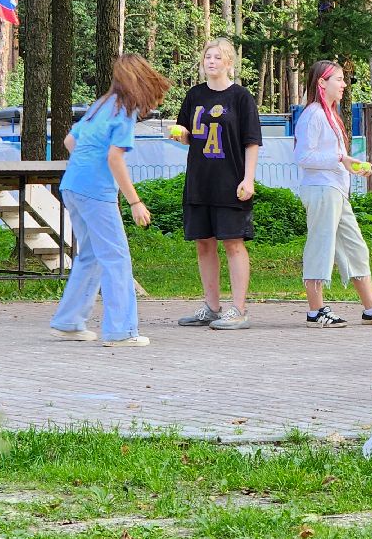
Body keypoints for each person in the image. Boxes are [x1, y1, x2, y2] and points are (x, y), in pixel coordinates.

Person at [49, 54, 171, 348]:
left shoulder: (100, 105)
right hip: (95, 191)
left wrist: (87, 164)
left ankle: (68, 322)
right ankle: (121, 330)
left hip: (73, 185)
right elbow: (114, 158)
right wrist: (135, 201)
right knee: (116, 258)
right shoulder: (124, 112)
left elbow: (69, 141)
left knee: (90, 255)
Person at [292, 60, 372, 328]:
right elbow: (303, 156)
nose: (343, 84)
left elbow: (334, 157)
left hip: (335, 191)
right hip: (321, 190)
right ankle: (315, 311)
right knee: (320, 247)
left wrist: (349, 164)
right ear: (322, 83)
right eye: (339, 79)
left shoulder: (330, 115)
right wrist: (340, 158)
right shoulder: (314, 114)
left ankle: (371, 309)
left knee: (355, 246)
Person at [171, 38, 261, 331]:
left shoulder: (241, 98)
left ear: (228, 63)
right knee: (203, 243)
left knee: (233, 243)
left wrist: (248, 179)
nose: (211, 61)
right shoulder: (194, 95)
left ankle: (239, 309)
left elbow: (252, 142)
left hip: (231, 182)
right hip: (199, 181)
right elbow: (188, 134)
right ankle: (211, 307)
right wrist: (180, 133)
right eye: (207, 57)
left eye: (217, 57)